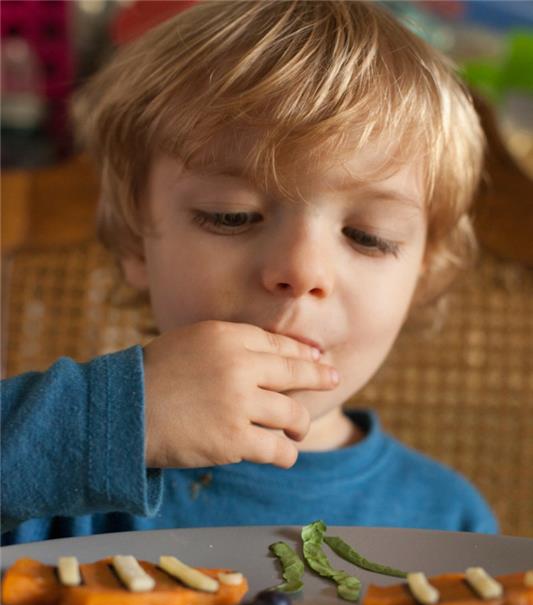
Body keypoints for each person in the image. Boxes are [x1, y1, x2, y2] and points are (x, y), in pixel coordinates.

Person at [1, 0, 498, 545]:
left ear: (422, 275)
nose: (302, 270)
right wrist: (112, 423)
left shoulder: (450, 523)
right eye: (231, 216)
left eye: (368, 237)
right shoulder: (52, 487)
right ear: (136, 240)